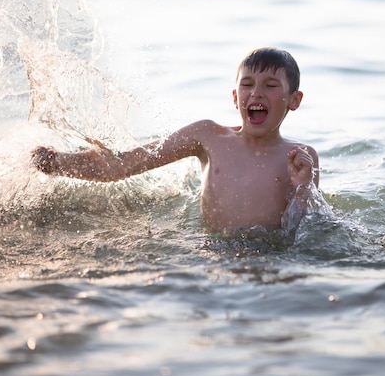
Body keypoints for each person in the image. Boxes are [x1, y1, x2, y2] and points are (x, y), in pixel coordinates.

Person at [32, 47, 328, 235]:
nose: (256, 94)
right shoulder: (208, 137)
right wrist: (58, 163)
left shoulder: (299, 157)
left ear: (294, 100)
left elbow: (302, 231)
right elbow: (122, 165)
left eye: (271, 86)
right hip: (212, 253)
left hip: (270, 258)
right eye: (247, 85)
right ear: (235, 97)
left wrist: (302, 188)